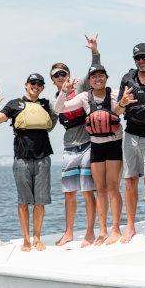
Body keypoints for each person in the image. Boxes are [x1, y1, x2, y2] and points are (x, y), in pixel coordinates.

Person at [54, 63, 124, 246]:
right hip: (96, 146)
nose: (98, 79)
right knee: (100, 189)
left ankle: (115, 229)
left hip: (114, 144)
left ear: (106, 77)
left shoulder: (115, 93)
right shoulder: (85, 96)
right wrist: (64, 91)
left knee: (113, 187)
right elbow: (59, 109)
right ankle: (102, 232)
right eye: (94, 76)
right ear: (90, 81)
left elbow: (121, 111)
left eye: (101, 75)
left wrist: (123, 104)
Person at [0, 73, 57, 252]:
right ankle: (26, 240)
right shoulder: (14, 104)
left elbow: (59, 113)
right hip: (21, 159)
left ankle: (37, 238)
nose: (36, 86)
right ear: (26, 85)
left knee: (40, 202)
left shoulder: (46, 104)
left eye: (39, 84)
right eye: (32, 83)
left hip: (43, 158)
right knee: (23, 202)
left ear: (42, 87)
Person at [49, 35, 99, 247]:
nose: (61, 76)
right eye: (56, 75)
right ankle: (68, 232)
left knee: (88, 190)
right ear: (53, 80)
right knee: (69, 193)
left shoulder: (80, 87)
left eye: (63, 73)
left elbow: (95, 70)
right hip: (69, 148)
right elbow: (51, 119)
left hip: (88, 143)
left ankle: (89, 232)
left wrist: (94, 51)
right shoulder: (55, 99)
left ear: (69, 74)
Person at [114, 43, 145, 242]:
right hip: (131, 135)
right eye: (138, 58)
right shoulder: (127, 79)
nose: (141, 61)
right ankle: (131, 226)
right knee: (129, 180)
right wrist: (122, 103)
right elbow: (117, 112)